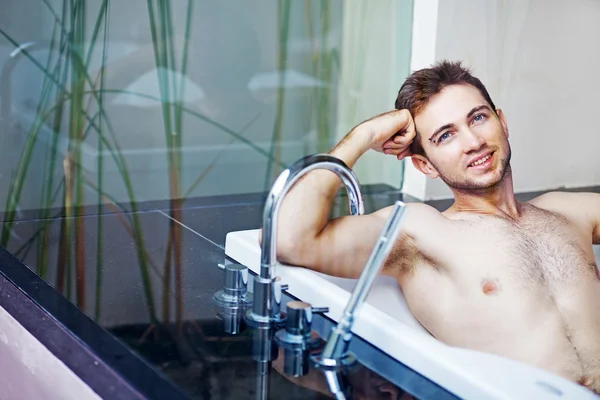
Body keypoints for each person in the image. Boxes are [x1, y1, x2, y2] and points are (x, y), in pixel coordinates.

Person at [269, 60, 600, 394]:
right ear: (424, 164)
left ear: (503, 122)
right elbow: (292, 240)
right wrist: (364, 135)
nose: (473, 142)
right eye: (446, 136)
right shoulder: (420, 232)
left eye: (478, 118)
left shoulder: (567, 211)